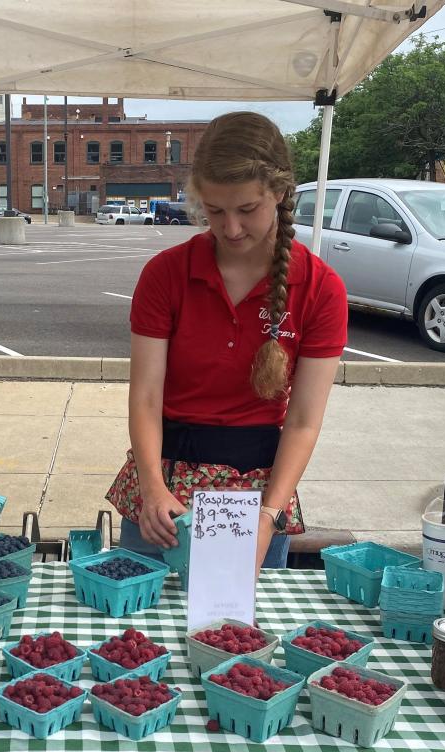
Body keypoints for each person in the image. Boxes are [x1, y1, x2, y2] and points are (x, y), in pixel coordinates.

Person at [105, 111, 348, 570]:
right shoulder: (166, 274)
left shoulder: (320, 287)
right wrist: (153, 489)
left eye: (247, 209)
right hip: (165, 482)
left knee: (241, 634)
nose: (231, 228)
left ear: (279, 192)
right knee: (138, 630)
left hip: (256, 495)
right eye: (215, 211)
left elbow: (302, 421)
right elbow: (146, 395)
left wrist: (269, 516)